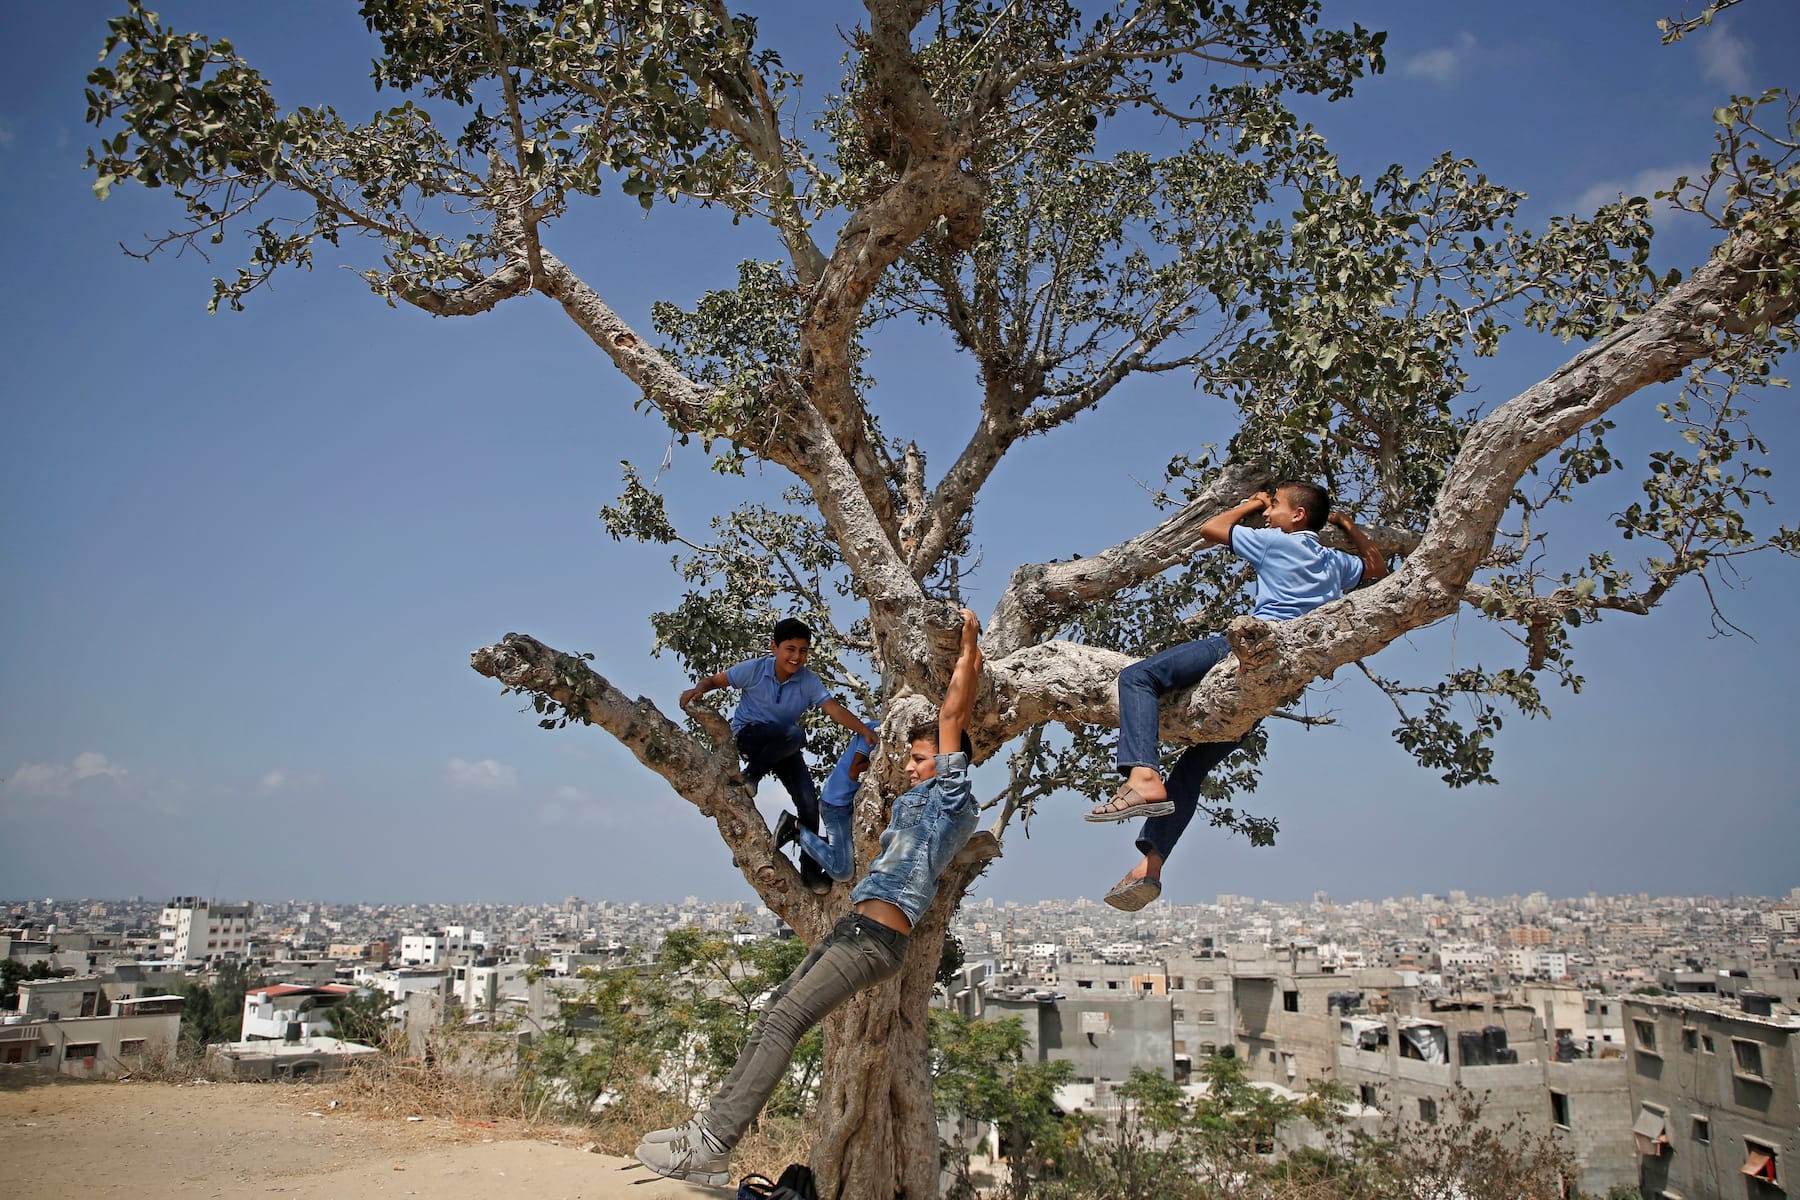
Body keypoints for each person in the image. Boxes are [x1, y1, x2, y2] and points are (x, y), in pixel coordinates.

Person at [637, 609, 986, 1188]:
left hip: (876, 941)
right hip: (855, 928)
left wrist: (969, 647)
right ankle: (708, 1133)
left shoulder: (951, 797)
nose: (909, 765)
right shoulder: (916, 801)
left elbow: (955, 709)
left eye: (920, 758)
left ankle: (711, 1145)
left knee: (786, 1021)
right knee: (774, 1011)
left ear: (950, 763)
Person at [1084, 481, 1388, 911]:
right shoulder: (1334, 563)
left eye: (1276, 506)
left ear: (1298, 517)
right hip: (1272, 684)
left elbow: (1211, 528)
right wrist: (1350, 526)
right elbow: (1375, 567)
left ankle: (1143, 777)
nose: (1268, 514)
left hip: (1241, 650)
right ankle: (1151, 867)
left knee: (1137, 678)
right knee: (1191, 771)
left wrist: (1250, 502)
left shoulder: (1277, 544)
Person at [680, 618, 876, 893]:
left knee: (809, 803)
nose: (796, 657)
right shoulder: (755, 670)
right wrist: (699, 690)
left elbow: (834, 709)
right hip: (751, 737)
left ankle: (810, 870)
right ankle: (752, 776)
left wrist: (865, 732)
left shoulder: (808, 681)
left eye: (803, 651)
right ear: (774, 647)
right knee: (794, 735)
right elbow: (714, 680)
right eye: (790, 649)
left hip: (785, 745)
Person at [773, 727, 870, 883]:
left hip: (845, 804)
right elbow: (854, 771)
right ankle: (796, 828)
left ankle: (820, 844)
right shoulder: (873, 731)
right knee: (842, 871)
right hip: (837, 805)